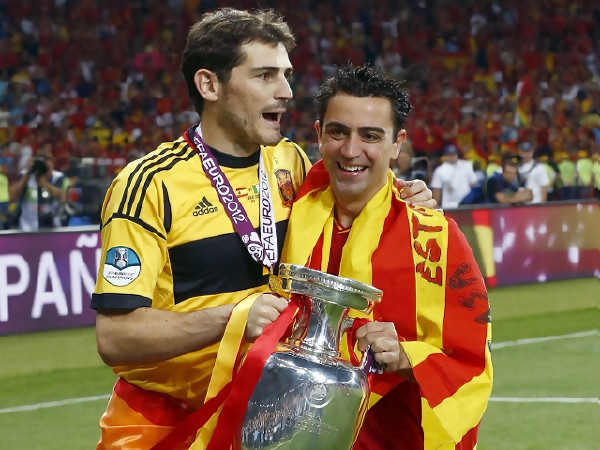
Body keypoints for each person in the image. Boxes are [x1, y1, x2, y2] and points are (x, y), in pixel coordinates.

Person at [91, 8, 434, 450]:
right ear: (209, 85)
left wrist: (405, 197)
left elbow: (359, 208)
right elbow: (115, 337)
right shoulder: (150, 185)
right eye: (265, 76)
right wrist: (233, 318)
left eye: (286, 75)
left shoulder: (291, 163)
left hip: (272, 417)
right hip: (168, 424)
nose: (286, 91)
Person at [282, 65, 492, 449]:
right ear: (318, 134)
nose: (351, 150)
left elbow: (472, 360)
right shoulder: (284, 210)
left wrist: (405, 356)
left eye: (370, 136)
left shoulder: (434, 239)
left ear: (397, 144)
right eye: (338, 132)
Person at [8, 153, 66, 231]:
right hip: (27, 226)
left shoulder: (57, 177)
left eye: (48, 168)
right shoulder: (24, 176)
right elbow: (13, 196)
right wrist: (27, 174)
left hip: (51, 225)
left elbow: (60, 196)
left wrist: (44, 184)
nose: (46, 171)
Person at [431, 144, 479, 209]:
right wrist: (436, 207)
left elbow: (474, 184)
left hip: (467, 204)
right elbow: (437, 190)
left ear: (457, 154)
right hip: (449, 206)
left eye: (453, 154)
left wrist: (473, 201)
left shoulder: (466, 165)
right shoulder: (439, 170)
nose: (452, 157)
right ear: (445, 156)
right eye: (449, 155)